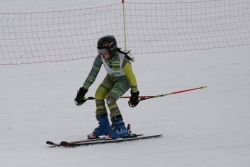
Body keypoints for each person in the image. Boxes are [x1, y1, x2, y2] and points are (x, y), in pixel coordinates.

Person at [74, 35, 140, 139]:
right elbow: (92, 74)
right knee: (99, 95)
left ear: (112, 49)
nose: (101, 54)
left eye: (104, 51)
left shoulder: (122, 59)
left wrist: (135, 93)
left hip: (124, 80)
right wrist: (83, 91)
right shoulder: (100, 58)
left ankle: (121, 128)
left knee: (110, 98)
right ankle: (104, 126)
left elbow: (131, 76)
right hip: (110, 78)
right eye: (99, 51)